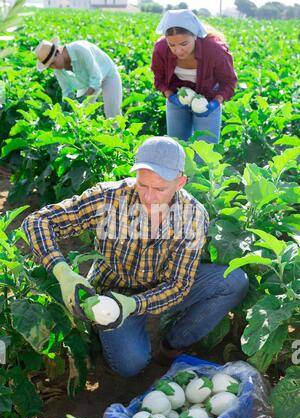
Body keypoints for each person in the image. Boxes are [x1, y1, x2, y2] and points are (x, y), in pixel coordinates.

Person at [22, 136, 248, 377]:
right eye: (143, 185)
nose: (148, 197)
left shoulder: (192, 216)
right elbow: (37, 221)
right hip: (112, 293)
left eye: (159, 189)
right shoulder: (110, 197)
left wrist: (135, 304)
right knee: (130, 366)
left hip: (161, 289)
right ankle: (105, 328)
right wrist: (63, 272)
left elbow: (179, 285)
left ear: (180, 182)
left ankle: (172, 345)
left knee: (233, 281)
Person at [151, 10, 237, 147]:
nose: (178, 50)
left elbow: (229, 82)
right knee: (177, 147)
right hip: (177, 99)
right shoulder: (161, 49)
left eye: (184, 44)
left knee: (204, 153)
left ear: (195, 36)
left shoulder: (215, 50)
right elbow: (159, 78)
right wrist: (170, 96)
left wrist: (215, 103)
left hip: (208, 100)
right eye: (172, 45)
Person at [35, 38, 122, 118]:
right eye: (50, 66)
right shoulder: (58, 70)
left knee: (112, 113)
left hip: (107, 74)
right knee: (81, 114)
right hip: (87, 82)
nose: (53, 67)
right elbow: (66, 90)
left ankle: (119, 134)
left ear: (58, 52)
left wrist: (83, 99)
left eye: (53, 63)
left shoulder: (80, 49)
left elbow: (96, 78)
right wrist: (68, 105)